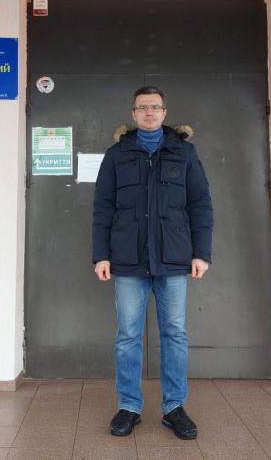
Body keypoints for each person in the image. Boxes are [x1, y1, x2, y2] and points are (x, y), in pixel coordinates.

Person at [92, 85, 214, 440]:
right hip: (128, 260)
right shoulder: (117, 155)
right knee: (128, 335)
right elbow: (103, 207)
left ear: (164, 112)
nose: (149, 112)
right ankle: (129, 406)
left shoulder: (184, 152)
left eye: (155, 107)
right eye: (143, 107)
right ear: (133, 113)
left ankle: (174, 407)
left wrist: (201, 253)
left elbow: (200, 204)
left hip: (173, 259)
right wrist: (101, 255)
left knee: (174, 334)